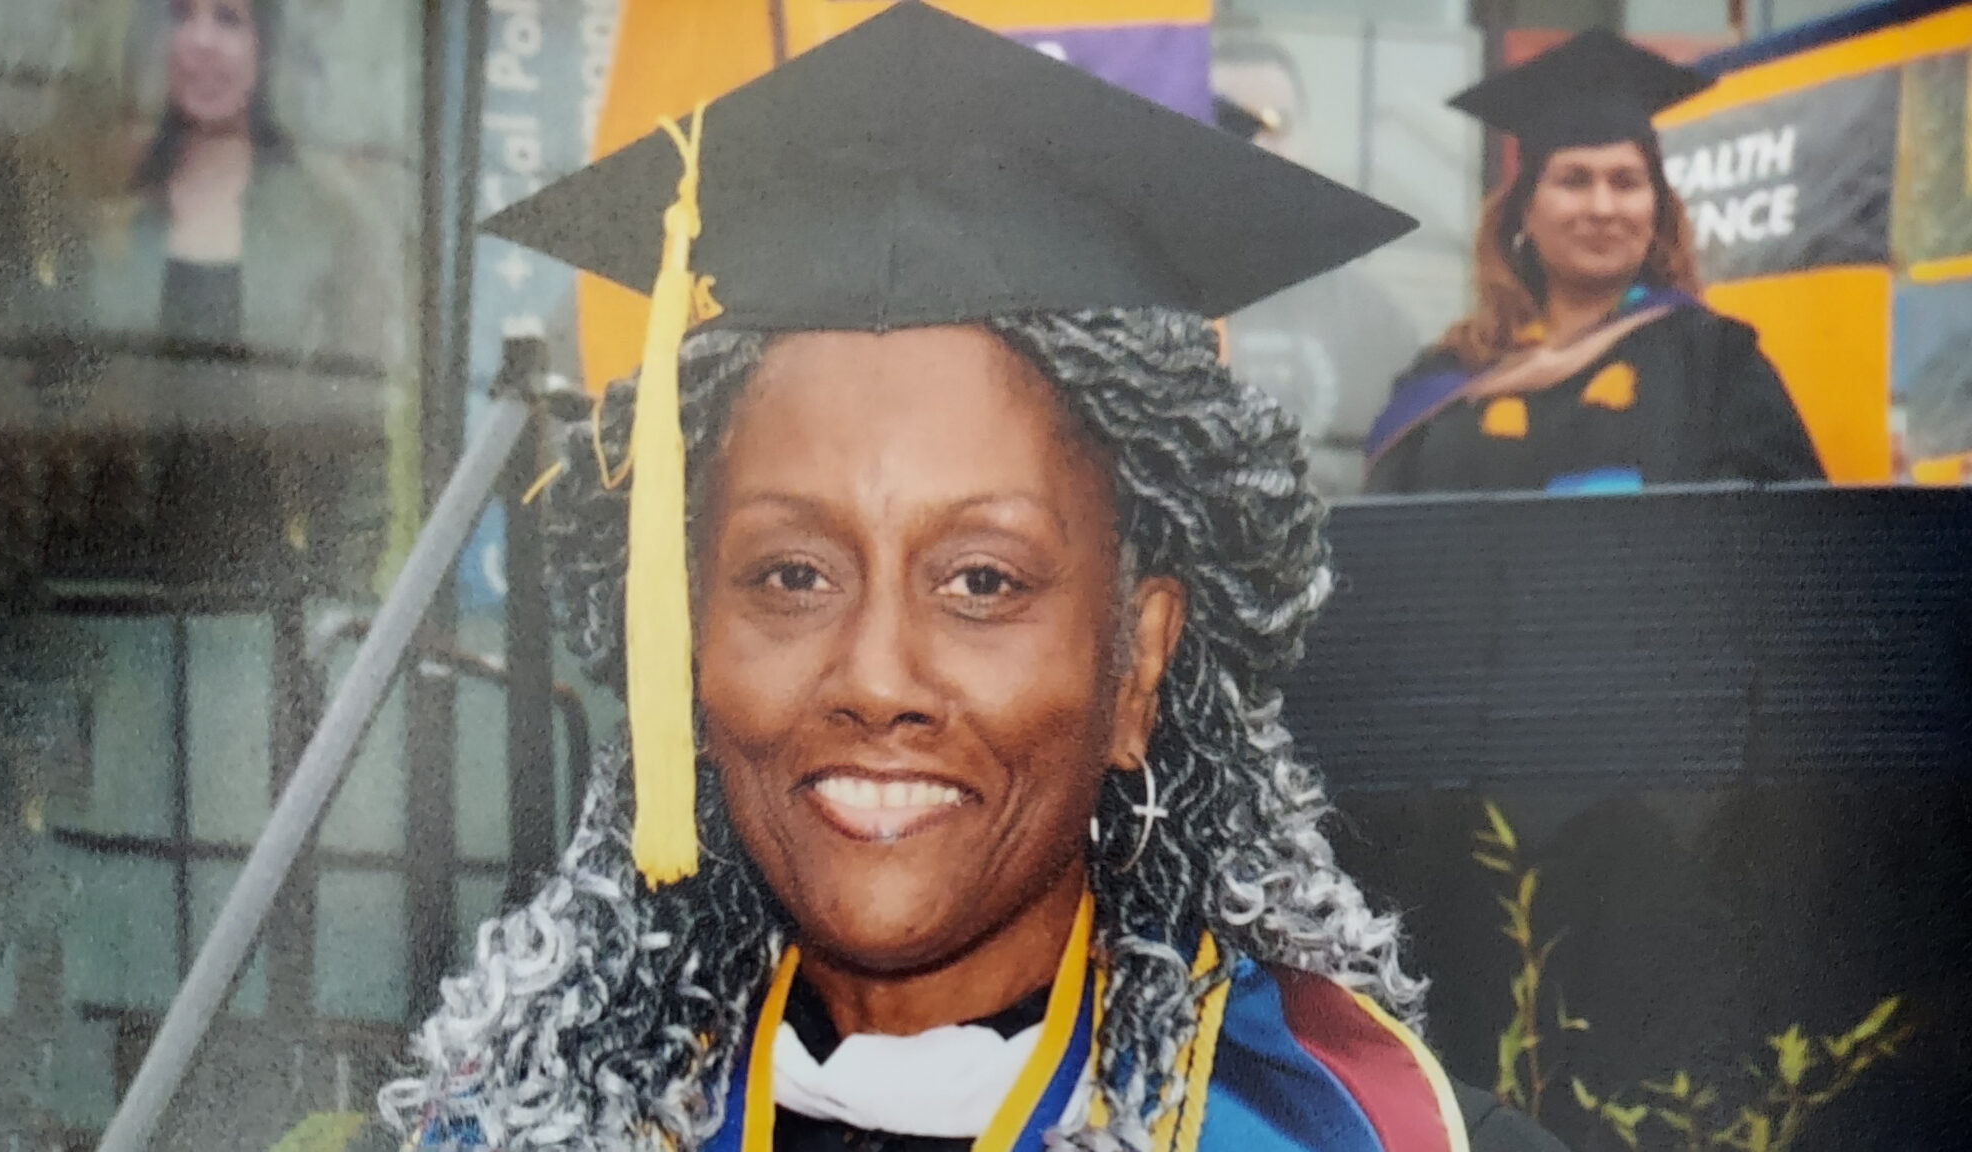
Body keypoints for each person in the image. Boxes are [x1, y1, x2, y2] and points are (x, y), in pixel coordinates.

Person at [384, 7, 1564, 1150]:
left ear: (1136, 661)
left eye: (982, 582)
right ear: (686, 643)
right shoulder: (535, 1122)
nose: (875, 676)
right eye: (790, 574)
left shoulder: (1353, 1136)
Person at [1364, 30, 1824, 495]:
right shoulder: (1447, 376)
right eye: (1574, 180)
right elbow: (1383, 542)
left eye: (1626, 182)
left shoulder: (1715, 364)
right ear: (1526, 210)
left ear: (1656, 211)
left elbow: (1786, 535)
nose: (1602, 208)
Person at [75, 0, 388, 363]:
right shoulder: (110, 214)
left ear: (265, 43)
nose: (200, 41)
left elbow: (357, 400)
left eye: (227, 18)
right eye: (181, 15)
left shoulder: (324, 223)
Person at [1211, 35, 1422, 497]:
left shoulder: (1379, 324)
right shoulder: (1140, 309)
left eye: (1274, 124)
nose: (1255, 145)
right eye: (1229, 123)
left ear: (1310, 139)